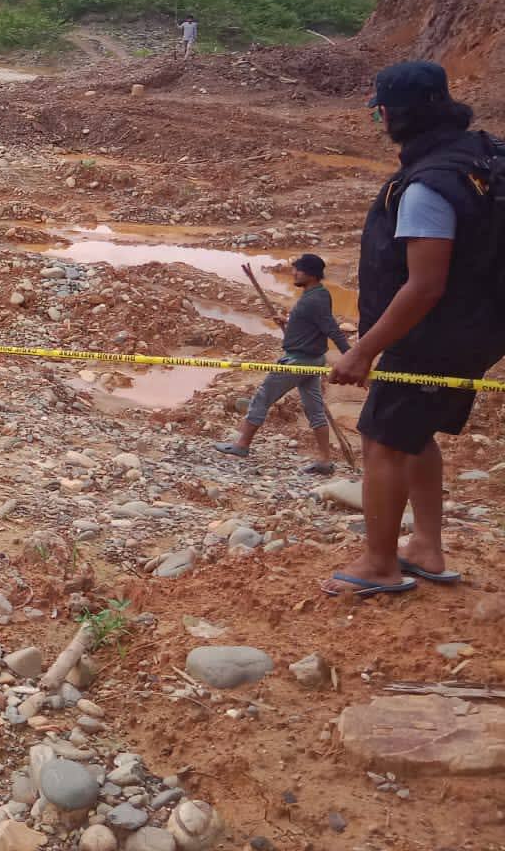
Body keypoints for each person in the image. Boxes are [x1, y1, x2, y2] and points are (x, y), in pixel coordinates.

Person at [325, 61, 504, 597]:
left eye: (377, 108)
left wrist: (363, 351)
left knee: (382, 439)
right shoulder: (485, 156)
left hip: (431, 333)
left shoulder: (428, 185)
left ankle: (380, 564)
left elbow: (424, 286)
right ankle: (426, 547)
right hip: (480, 328)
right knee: (414, 432)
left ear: (388, 113)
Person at [215, 253, 349, 474]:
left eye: (298, 269)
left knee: (263, 395)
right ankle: (325, 461)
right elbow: (312, 322)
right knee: (315, 410)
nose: (294, 273)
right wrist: (288, 321)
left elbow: (331, 329)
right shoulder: (314, 294)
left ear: (312, 274)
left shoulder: (316, 298)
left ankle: (241, 445)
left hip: (298, 360)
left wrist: (351, 357)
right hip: (312, 360)